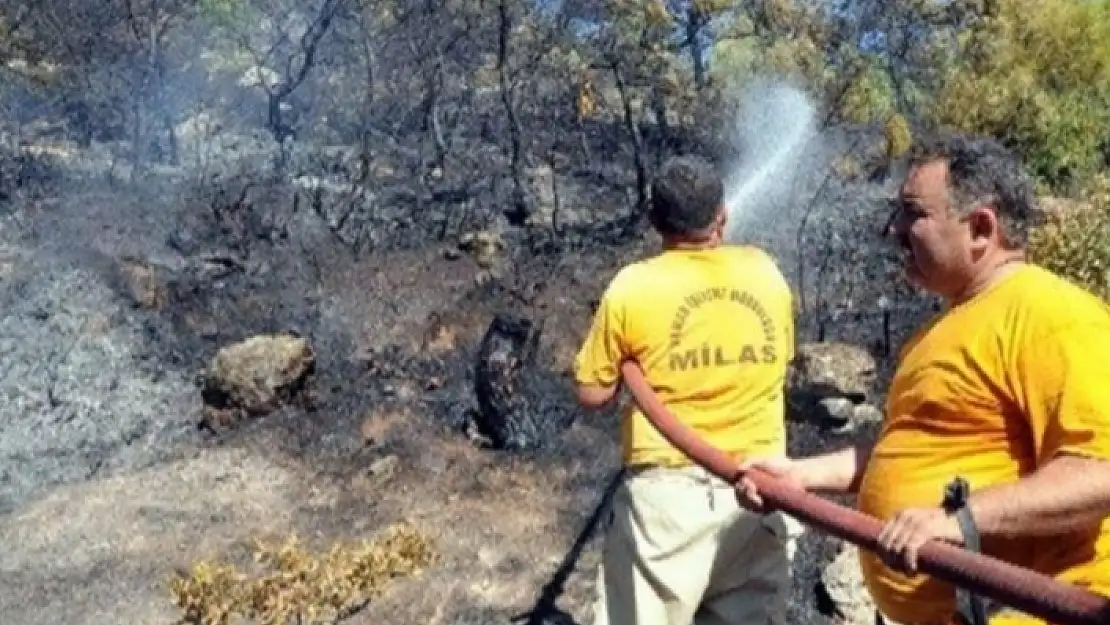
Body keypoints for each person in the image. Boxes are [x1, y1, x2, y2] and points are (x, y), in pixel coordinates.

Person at [736, 132, 1110, 625]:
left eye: (914, 212)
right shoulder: (942, 329)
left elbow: (1098, 473)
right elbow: (909, 447)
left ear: (980, 228)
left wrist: (960, 520)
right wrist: (801, 475)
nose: (895, 230)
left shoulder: (1054, 316)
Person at [572, 154, 804, 625]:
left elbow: (591, 394)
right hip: (762, 492)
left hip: (668, 509)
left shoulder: (632, 287)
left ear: (654, 220)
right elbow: (782, 359)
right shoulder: (765, 272)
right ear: (723, 216)